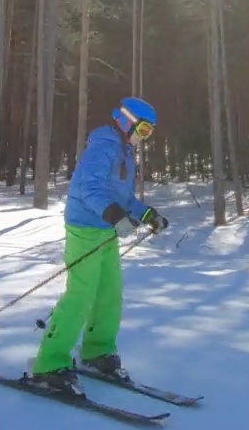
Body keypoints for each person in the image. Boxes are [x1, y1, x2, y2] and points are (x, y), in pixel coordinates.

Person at [26, 97, 169, 396]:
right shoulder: (104, 145)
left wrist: (147, 214)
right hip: (85, 227)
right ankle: (49, 364)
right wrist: (115, 216)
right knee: (80, 294)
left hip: (106, 229)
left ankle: (97, 352)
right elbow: (88, 188)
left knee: (109, 293)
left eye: (148, 135)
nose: (143, 139)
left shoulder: (125, 152)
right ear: (127, 121)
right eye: (142, 131)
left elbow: (125, 197)